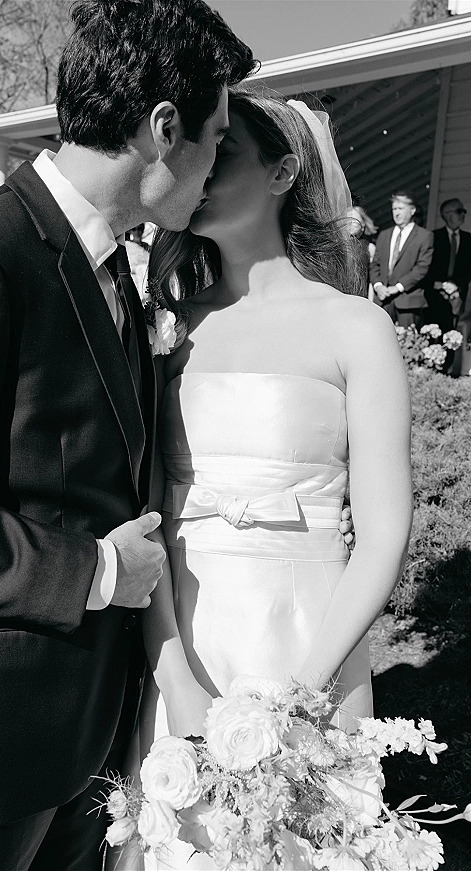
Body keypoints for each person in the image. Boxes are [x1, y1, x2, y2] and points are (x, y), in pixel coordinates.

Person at [0, 2, 256, 869]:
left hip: (84, 758)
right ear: (164, 128)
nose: (214, 169)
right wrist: (93, 569)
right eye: (214, 136)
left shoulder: (116, 273)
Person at [130, 88, 412, 870]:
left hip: (310, 648)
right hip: (188, 643)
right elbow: (146, 515)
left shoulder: (356, 327)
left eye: (224, 153)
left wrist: (303, 694)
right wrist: (173, 673)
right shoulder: (168, 330)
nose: (198, 168)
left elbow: (385, 531)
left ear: (285, 170)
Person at [370, 190, 434, 329]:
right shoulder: (384, 235)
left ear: (412, 210)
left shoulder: (424, 236)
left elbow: (422, 267)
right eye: (394, 209)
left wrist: (398, 287)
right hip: (383, 301)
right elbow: (376, 264)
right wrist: (378, 286)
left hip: (408, 301)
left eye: (400, 208)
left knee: (408, 345)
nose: (396, 213)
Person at [425, 198, 471, 332]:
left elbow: (469, 268)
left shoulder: (469, 239)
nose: (463, 214)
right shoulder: (433, 237)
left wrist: (456, 286)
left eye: (464, 211)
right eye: (459, 211)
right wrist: (440, 285)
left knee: (452, 336)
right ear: (447, 214)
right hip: (435, 295)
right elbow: (426, 265)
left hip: (458, 294)